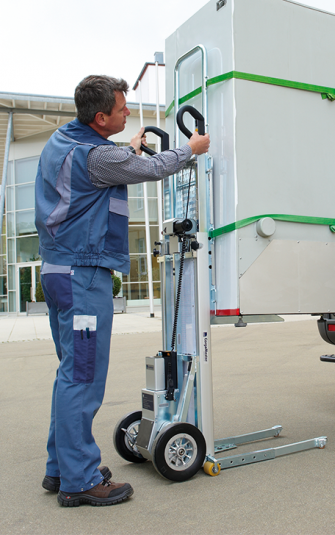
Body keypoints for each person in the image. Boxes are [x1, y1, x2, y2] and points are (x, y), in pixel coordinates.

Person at [34, 74, 210, 507]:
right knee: (84, 377)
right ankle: (79, 482)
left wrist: (125, 148)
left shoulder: (65, 141)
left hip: (59, 272)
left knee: (70, 374)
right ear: (99, 118)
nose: (127, 111)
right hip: (83, 277)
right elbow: (151, 168)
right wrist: (191, 148)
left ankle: (61, 469)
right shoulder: (98, 156)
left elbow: (107, 162)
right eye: (120, 108)